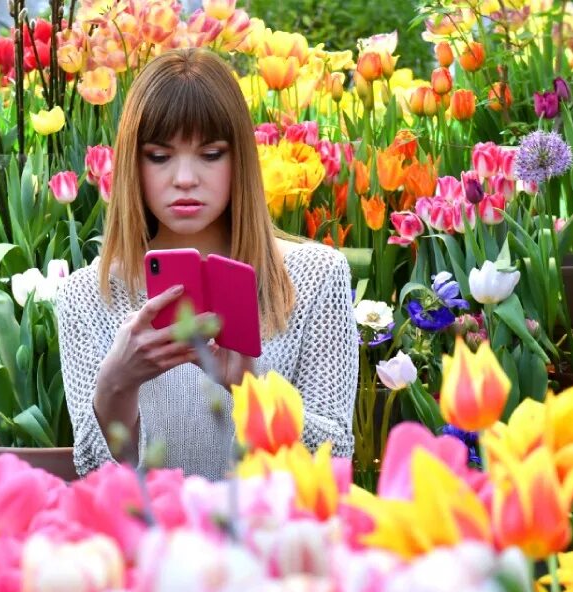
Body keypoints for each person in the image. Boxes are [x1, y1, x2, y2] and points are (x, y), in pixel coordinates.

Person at [55, 48, 358, 480]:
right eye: (159, 156)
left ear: (240, 159)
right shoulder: (87, 296)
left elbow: (333, 459)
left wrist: (249, 390)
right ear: (132, 165)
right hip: (150, 543)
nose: (184, 179)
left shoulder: (314, 276)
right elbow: (100, 478)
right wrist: (118, 382)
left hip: (268, 538)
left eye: (211, 154)